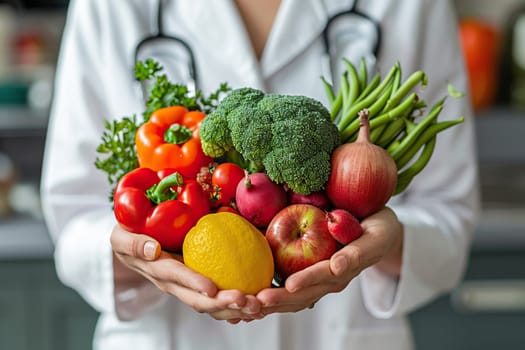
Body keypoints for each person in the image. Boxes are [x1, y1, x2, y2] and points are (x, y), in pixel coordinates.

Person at [41, 0, 480, 349]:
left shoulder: (413, 5)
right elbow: (74, 215)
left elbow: (449, 216)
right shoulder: (108, 6)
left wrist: (377, 238)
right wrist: (142, 255)